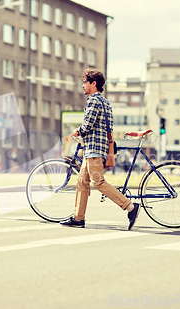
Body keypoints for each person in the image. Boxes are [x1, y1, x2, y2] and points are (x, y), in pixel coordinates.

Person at [59, 68, 140, 230]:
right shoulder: (104, 101)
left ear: (93, 83)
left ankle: (130, 207)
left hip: (94, 149)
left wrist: (78, 130)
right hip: (95, 148)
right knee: (82, 181)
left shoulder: (94, 101)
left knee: (98, 182)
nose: (83, 85)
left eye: (85, 82)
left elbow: (88, 125)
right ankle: (78, 217)